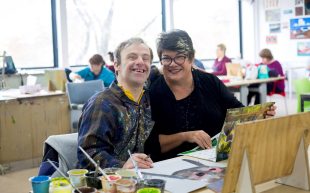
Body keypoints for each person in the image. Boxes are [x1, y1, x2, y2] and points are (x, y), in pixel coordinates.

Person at [144, 29, 276, 161]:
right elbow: (151, 144)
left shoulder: (210, 82)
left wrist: (259, 114)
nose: (172, 64)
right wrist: (186, 136)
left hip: (215, 161)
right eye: (166, 58)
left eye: (179, 57)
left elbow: (237, 112)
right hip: (171, 166)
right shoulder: (154, 92)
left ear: (191, 58)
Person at [77, 38, 154, 170]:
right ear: (117, 65)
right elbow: (88, 155)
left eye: (145, 58)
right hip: (104, 183)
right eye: (132, 57)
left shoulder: (147, 99)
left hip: (139, 177)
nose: (140, 62)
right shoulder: (102, 103)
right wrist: (121, 165)